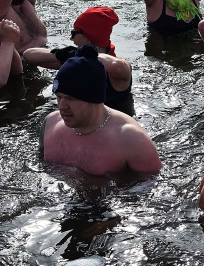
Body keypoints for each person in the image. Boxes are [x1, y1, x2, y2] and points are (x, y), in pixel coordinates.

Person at [40, 45, 161, 175]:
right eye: (59, 97)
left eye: (71, 99)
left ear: (94, 99)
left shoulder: (130, 139)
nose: (62, 106)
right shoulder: (50, 124)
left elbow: (154, 188)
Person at [24, 6, 135, 115]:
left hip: (115, 128)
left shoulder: (118, 70)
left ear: (88, 36)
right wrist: (60, 54)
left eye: (74, 33)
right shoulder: (75, 60)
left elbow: (118, 65)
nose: (71, 38)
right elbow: (29, 54)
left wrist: (82, 55)